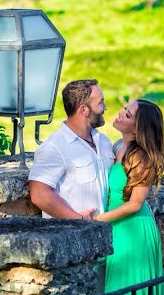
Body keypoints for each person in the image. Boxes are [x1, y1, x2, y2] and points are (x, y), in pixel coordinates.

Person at [94, 99, 164, 295]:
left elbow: (135, 204)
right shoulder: (115, 147)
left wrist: (96, 221)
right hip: (117, 231)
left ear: (137, 127)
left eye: (127, 114)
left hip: (133, 231)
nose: (119, 113)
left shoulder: (142, 158)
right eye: (124, 108)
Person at [28, 79, 115, 220]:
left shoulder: (103, 141)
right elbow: (39, 194)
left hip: (104, 235)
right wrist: (77, 219)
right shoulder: (54, 147)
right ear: (84, 110)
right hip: (70, 237)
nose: (105, 107)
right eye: (100, 102)